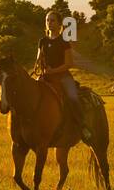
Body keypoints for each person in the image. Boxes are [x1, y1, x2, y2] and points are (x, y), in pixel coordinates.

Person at [36, 10, 89, 143]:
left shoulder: (64, 41)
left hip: (63, 77)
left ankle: (82, 126)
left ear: (60, 24)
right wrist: (39, 67)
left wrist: (53, 71)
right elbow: (38, 60)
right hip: (45, 77)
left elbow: (69, 64)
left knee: (72, 97)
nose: (50, 23)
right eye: (47, 20)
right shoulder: (42, 41)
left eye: (53, 20)